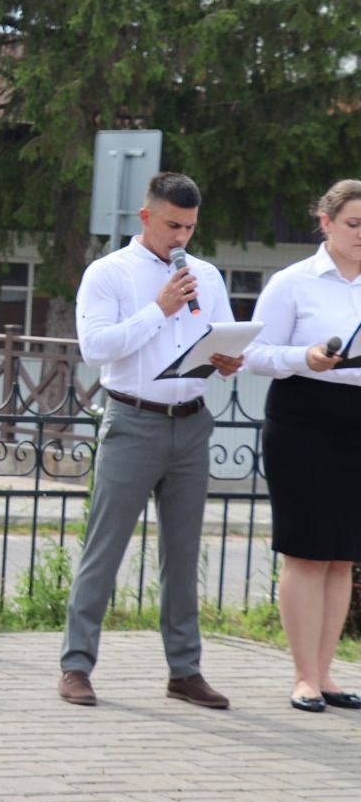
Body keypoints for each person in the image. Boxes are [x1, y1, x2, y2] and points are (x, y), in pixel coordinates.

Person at [59, 171, 243, 709]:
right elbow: (96, 348)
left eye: (188, 227)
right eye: (171, 225)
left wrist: (230, 358)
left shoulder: (206, 275)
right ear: (145, 217)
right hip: (132, 420)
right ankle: (76, 665)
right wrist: (158, 308)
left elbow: (222, 336)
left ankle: (184, 671)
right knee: (105, 547)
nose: (180, 237)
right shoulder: (108, 273)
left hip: (191, 421)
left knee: (184, 554)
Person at [242, 179, 361, 713]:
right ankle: (303, 677)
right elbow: (254, 353)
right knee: (307, 551)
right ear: (326, 223)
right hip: (304, 417)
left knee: (342, 557)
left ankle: (329, 673)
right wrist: (303, 357)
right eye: (354, 225)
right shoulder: (293, 282)